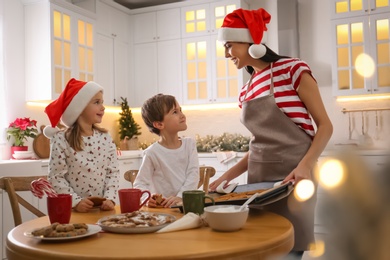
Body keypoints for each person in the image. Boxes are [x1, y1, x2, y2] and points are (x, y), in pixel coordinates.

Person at [208, 8, 333, 258]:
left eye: (229, 45)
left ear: (250, 41)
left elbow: (325, 126)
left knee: (289, 250)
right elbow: (258, 146)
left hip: (294, 177)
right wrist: (226, 176)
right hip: (257, 183)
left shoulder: (292, 69)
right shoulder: (246, 90)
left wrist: (305, 166)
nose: (225, 54)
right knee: (259, 249)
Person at [43, 78, 119, 213]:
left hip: (102, 210)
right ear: (79, 108)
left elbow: (113, 172)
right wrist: (75, 202)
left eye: (102, 102)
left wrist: (110, 199)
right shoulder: (61, 140)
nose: (103, 107)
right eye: (97, 102)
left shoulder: (105, 138)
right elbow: (56, 177)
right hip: (73, 211)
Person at [133, 94, 199, 208]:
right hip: (162, 210)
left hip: (186, 206)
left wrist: (180, 197)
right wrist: (147, 199)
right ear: (159, 124)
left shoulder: (190, 144)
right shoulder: (152, 153)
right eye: (175, 112)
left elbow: (193, 175)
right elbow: (140, 183)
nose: (182, 115)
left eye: (180, 110)